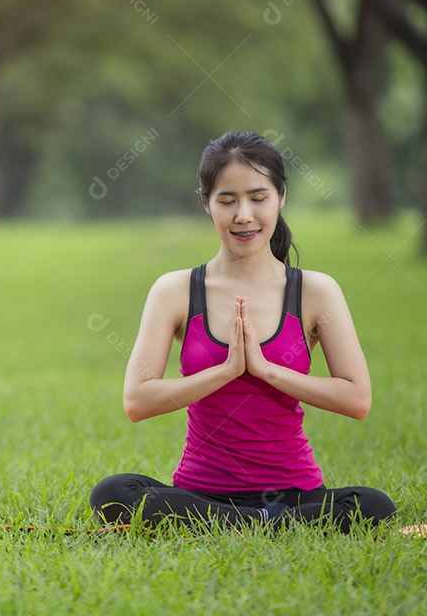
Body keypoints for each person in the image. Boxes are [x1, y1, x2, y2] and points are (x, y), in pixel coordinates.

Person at [89, 130, 396, 533]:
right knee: (113, 493)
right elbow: (137, 400)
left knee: (373, 505)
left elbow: (357, 398)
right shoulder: (176, 291)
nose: (244, 216)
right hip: (202, 494)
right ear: (205, 202)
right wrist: (226, 371)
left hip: (294, 493)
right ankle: (266, 524)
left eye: (258, 197)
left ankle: (248, 522)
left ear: (281, 196)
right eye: (227, 201)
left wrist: (268, 370)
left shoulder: (315, 291)